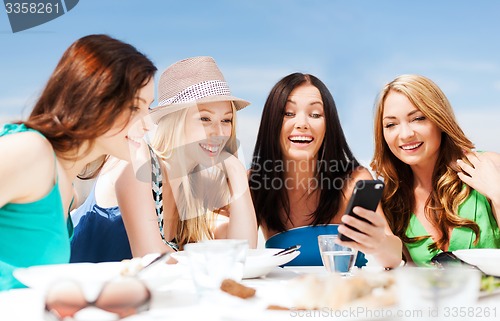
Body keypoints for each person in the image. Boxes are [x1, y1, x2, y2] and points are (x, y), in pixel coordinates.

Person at [0, 34, 156, 290]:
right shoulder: (30, 153)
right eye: (134, 108)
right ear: (92, 100)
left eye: (148, 108)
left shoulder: (66, 185)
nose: (147, 123)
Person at [70, 56, 257, 262]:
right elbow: (152, 258)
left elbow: (244, 250)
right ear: (174, 120)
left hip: (122, 292)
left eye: (226, 120)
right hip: (69, 288)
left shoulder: (193, 188)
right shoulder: (138, 159)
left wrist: (237, 172)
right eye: (204, 118)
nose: (219, 131)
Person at [249, 72, 402, 268]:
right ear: (272, 122)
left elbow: (393, 258)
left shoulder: (354, 180)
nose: (302, 124)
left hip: (349, 294)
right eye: (288, 113)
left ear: (328, 125)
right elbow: (238, 255)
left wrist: (380, 242)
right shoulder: (254, 183)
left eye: (315, 115)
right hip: (284, 297)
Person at [370, 74, 500, 266]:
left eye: (418, 118)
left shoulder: (488, 166)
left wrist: (497, 193)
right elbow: (408, 277)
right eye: (391, 124)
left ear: (439, 119)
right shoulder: (393, 202)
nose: (405, 134)